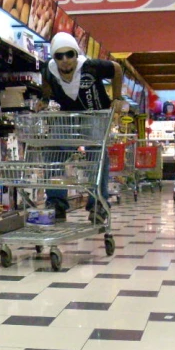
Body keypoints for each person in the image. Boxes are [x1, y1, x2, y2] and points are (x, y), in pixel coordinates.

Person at [40, 32, 124, 223]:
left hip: (95, 115)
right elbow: (45, 79)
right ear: (54, 58)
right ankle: (56, 202)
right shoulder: (48, 69)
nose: (65, 60)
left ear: (76, 54)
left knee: (97, 156)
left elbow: (117, 69)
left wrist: (117, 98)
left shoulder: (91, 66)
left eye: (69, 54)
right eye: (59, 56)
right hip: (67, 118)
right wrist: (45, 99)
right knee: (54, 153)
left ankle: (98, 204)